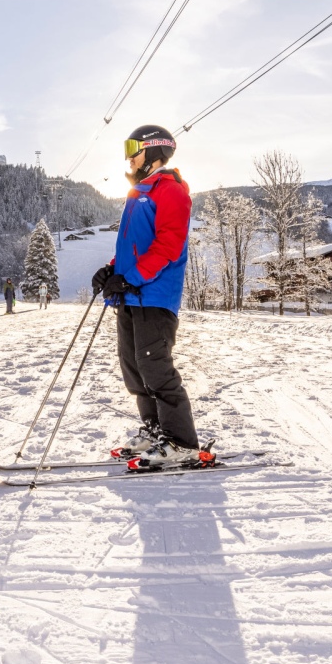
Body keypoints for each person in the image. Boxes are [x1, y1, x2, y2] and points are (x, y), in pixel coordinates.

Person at [92, 124, 203, 468]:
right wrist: (113, 270)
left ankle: (182, 441)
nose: (128, 156)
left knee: (155, 368)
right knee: (134, 370)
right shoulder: (141, 192)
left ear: (154, 151)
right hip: (131, 295)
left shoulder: (170, 191)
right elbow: (132, 247)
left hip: (154, 295)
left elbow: (168, 245)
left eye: (133, 148)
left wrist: (132, 278)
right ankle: (156, 430)